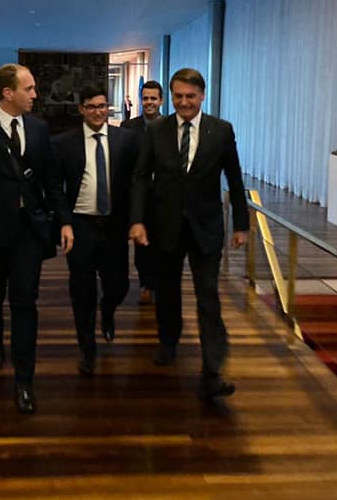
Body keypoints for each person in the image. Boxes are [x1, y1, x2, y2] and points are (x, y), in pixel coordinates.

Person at [0, 64, 74, 414]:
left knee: (24, 301)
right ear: (8, 93)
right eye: (29, 89)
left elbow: (51, 180)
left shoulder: (38, 129)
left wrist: (64, 221)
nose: (35, 95)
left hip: (28, 232)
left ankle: (24, 379)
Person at [129, 68, 249, 401]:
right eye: (178, 96)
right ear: (171, 97)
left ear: (202, 96)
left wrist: (242, 224)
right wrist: (137, 221)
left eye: (190, 96)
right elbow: (141, 177)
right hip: (165, 226)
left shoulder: (221, 131)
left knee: (208, 297)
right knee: (167, 290)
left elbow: (234, 178)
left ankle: (212, 369)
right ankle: (168, 341)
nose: (184, 102)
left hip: (206, 228)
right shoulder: (157, 130)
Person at [53, 84, 139, 376]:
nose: (97, 112)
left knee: (119, 285)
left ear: (108, 107)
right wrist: (64, 222)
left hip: (114, 226)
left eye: (102, 106)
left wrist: (135, 220)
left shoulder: (126, 140)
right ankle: (87, 348)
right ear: (81, 109)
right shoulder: (64, 144)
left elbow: (135, 183)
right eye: (91, 107)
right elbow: (56, 188)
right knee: (82, 290)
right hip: (81, 226)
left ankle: (109, 310)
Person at [120, 80, 164, 306]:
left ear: (161, 101)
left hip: (164, 196)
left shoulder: (170, 126)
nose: (149, 102)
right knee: (141, 244)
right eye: (145, 98)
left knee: (163, 243)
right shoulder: (128, 127)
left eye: (153, 98)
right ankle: (146, 284)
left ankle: (160, 284)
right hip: (138, 196)